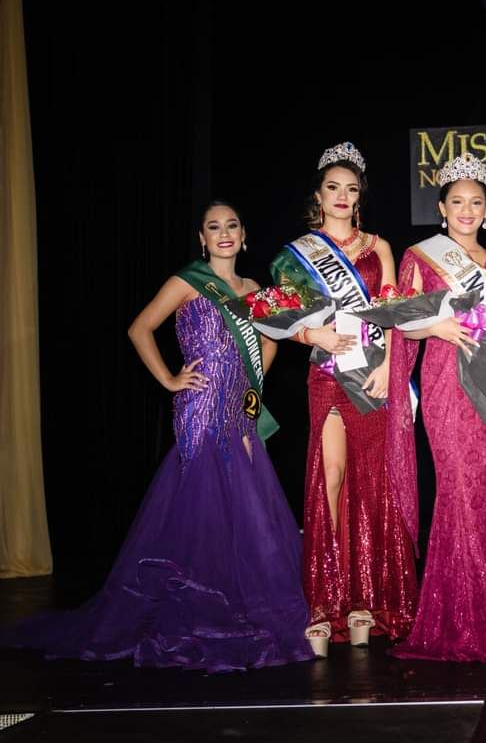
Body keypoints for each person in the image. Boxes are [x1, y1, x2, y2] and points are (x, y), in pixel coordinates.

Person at [1, 202, 312, 672]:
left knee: (244, 510)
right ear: (202, 239)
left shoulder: (255, 291)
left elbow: (271, 340)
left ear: (244, 234)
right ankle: (197, 608)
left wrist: (251, 389)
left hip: (238, 410)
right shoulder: (187, 282)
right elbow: (139, 328)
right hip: (200, 406)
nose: (224, 233)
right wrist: (169, 379)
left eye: (231, 225)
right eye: (214, 227)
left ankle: (236, 606)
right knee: (203, 506)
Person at [388, 152, 486, 662]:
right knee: (458, 491)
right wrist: (438, 327)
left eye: (476, 201)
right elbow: (402, 322)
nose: (467, 210)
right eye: (457, 201)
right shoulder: (420, 258)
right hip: (446, 382)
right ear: (441, 209)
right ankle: (459, 619)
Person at [271, 142, 416, 654]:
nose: (341, 196)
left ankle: (366, 599)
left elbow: (394, 312)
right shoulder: (298, 254)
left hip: (371, 374)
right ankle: (326, 599)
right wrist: (314, 338)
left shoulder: (379, 247)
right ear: (318, 194)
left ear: (359, 198)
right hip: (326, 373)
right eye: (333, 187)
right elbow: (277, 318)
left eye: (351, 189)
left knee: (369, 481)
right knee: (329, 478)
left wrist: (388, 369)